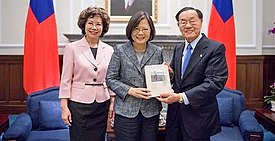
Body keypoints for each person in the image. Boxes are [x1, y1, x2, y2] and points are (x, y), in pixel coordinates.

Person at [157, 7, 228, 141]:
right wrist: (170, 73)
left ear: (201, 22)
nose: (188, 25)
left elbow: (215, 82)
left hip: (198, 118)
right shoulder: (179, 48)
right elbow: (179, 79)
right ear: (178, 25)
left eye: (192, 21)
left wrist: (180, 97)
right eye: (183, 22)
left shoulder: (215, 48)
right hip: (175, 117)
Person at [59, 6, 115, 141]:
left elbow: (111, 78)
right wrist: (64, 107)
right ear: (84, 25)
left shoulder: (109, 50)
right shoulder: (72, 48)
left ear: (103, 28)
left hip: (102, 103)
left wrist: (112, 101)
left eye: (98, 24)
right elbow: (66, 80)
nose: (94, 27)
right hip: (79, 104)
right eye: (90, 23)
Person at [106, 11, 163, 141]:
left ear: (151, 31)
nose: (140, 33)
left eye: (145, 29)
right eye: (136, 29)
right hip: (125, 111)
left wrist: (168, 74)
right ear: (130, 30)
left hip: (151, 111)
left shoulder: (157, 51)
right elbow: (110, 79)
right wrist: (131, 91)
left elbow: (161, 79)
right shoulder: (119, 50)